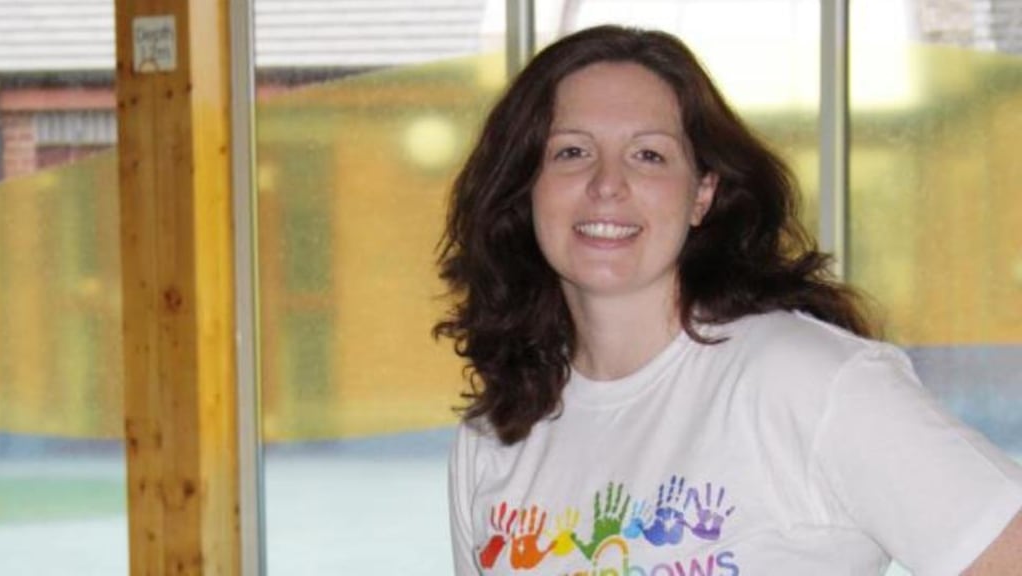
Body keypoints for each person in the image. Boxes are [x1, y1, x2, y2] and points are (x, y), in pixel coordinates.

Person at [434, 25, 1022, 575]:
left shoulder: (806, 381)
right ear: (524, 187)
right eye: (570, 152)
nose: (606, 184)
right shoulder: (496, 433)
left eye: (648, 155)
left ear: (702, 194)